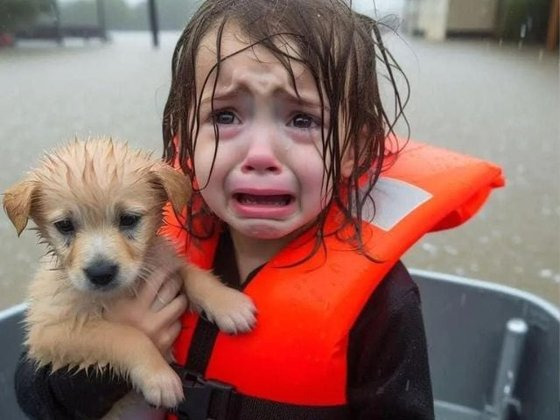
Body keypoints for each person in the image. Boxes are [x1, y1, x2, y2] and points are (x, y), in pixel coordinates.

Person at [15, 0, 436, 418]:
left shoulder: (385, 304)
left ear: (356, 149)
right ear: (187, 134)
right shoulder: (164, 231)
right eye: (226, 115)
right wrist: (119, 354)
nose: (260, 154)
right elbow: (35, 396)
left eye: (302, 119)